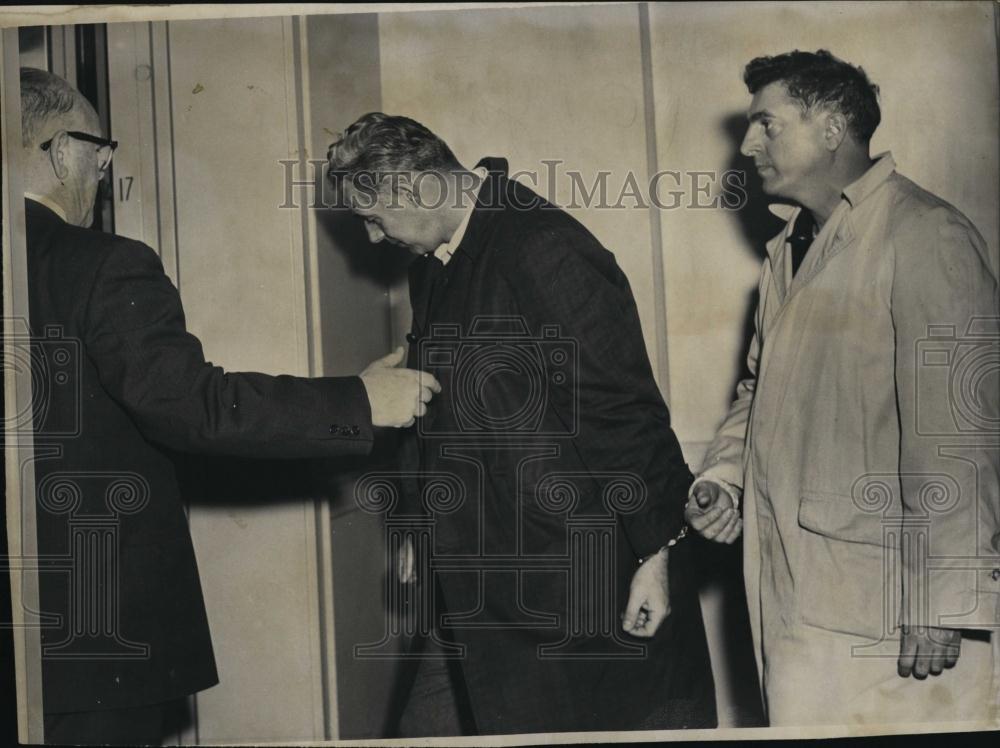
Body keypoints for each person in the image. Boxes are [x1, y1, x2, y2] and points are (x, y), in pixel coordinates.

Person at [16, 68, 440, 745]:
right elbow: (193, 406)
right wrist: (361, 400)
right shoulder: (102, 264)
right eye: (101, 149)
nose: (103, 168)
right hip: (97, 642)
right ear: (64, 150)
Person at [327, 113, 716, 736]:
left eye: (375, 219)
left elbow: (621, 408)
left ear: (418, 190)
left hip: (564, 587)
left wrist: (659, 550)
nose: (372, 239)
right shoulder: (433, 262)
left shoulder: (542, 246)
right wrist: (417, 525)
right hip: (477, 578)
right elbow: (434, 406)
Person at [686, 50, 1000, 726]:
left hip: (891, 620)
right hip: (799, 596)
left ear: (830, 127)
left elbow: (960, 436)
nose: (747, 146)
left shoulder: (924, 233)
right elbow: (758, 390)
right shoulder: (790, 249)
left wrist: (945, 602)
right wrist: (725, 474)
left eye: (767, 125)